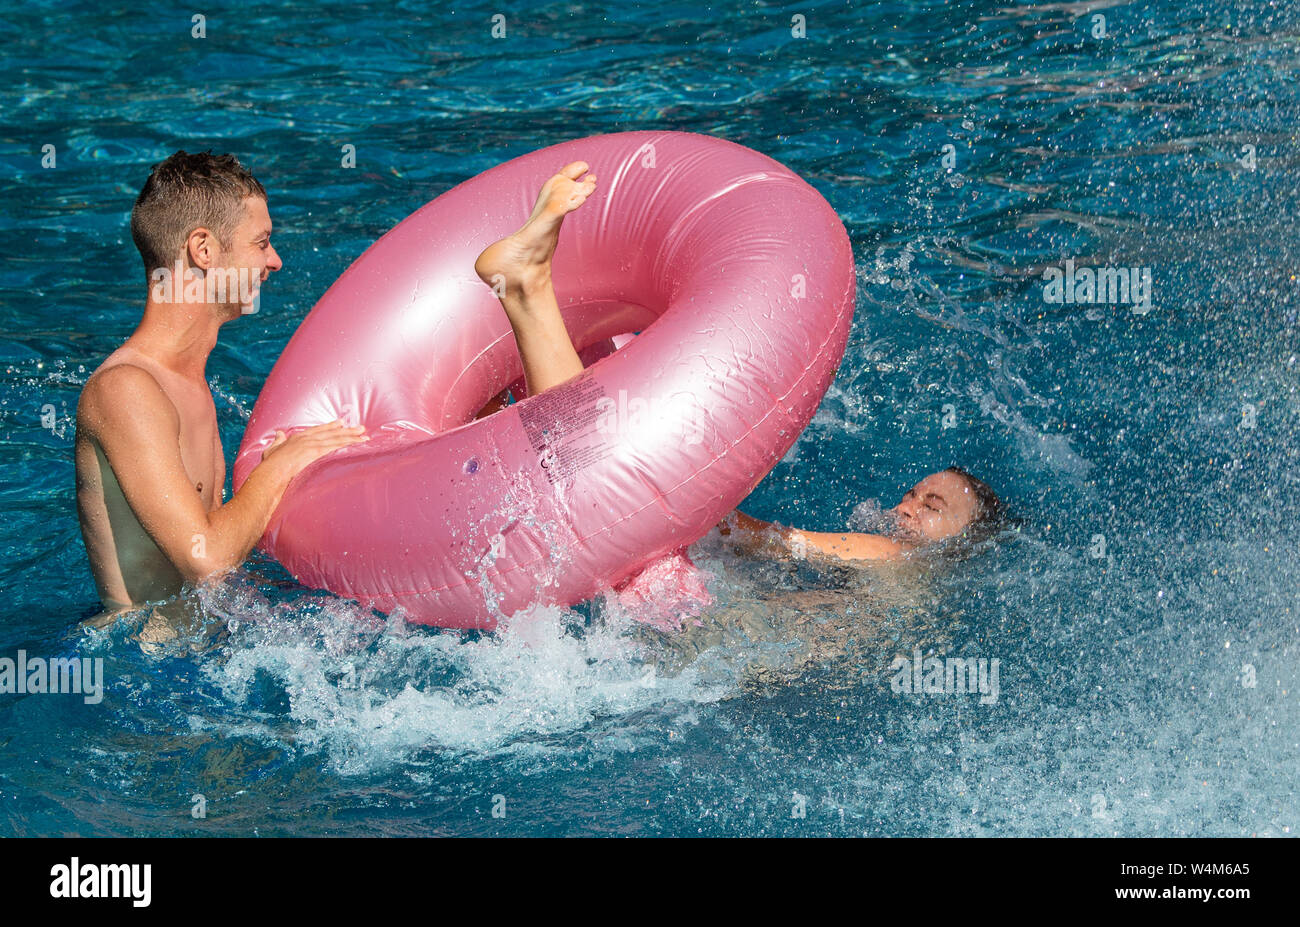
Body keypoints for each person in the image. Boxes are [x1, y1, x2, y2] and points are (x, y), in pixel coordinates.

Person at [75, 152, 598, 615]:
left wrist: (289, 484)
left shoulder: (184, 378)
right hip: (152, 679)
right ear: (204, 250)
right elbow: (206, 560)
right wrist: (276, 470)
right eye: (261, 242)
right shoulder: (128, 390)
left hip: (207, 652)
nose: (274, 261)